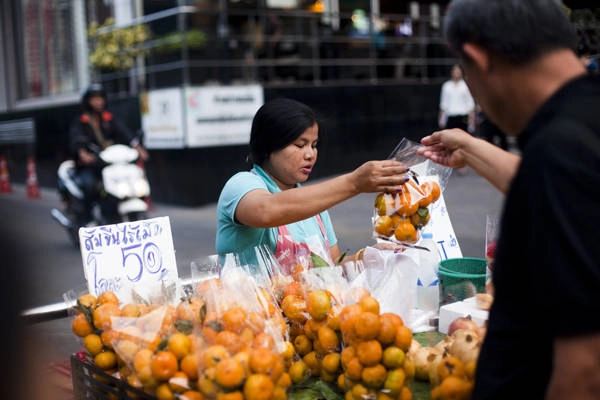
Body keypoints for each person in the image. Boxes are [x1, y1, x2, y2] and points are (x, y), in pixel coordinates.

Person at [418, 1, 600, 399]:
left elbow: (585, 370)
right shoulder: (582, 125)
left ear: (479, 59)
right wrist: (471, 148)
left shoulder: (561, 152)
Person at [216, 97, 408, 272]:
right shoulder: (241, 184)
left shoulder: (314, 205)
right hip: (250, 309)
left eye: (314, 145)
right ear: (268, 146)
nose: (310, 154)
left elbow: (332, 267)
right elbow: (266, 210)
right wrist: (354, 183)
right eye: (300, 145)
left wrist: (366, 258)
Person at [68, 84, 148, 225]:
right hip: (91, 165)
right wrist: (83, 153)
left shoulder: (108, 118)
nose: (98, 102)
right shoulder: (81, 120)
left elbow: (124, 133)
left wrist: (138, 148)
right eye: (94, 99)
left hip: (110, 163)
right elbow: (76, 138)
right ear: (88, 101)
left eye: (100, 98)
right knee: (90, 186)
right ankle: (86, 220)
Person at [438, 63, 476, 133]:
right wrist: (441, 120)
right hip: (451, 118)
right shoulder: (446, 86)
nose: (456, 73)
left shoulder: (466, 85)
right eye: (455, 71)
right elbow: (443, 105)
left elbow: (470, 105)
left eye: (458, 71)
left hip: (463, 118)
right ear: (452, 72)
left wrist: (471, 123)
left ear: (461, 72)